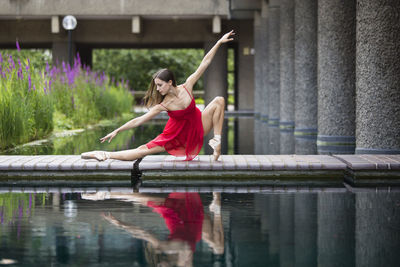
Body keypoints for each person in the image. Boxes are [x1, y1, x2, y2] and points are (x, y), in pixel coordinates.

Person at [81, 30, 235, 162]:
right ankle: (105, 154)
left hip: (198, 127)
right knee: (143, 150)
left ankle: (217, 140)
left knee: (219, 100)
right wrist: (117, 130)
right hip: (177, 136)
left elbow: (205, 62)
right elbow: (139, 120)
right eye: (156, 85)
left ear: (170, 82)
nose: (158, 89)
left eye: (160, 85)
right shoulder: (164, 104)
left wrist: (219, 42)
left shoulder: (187, 86)